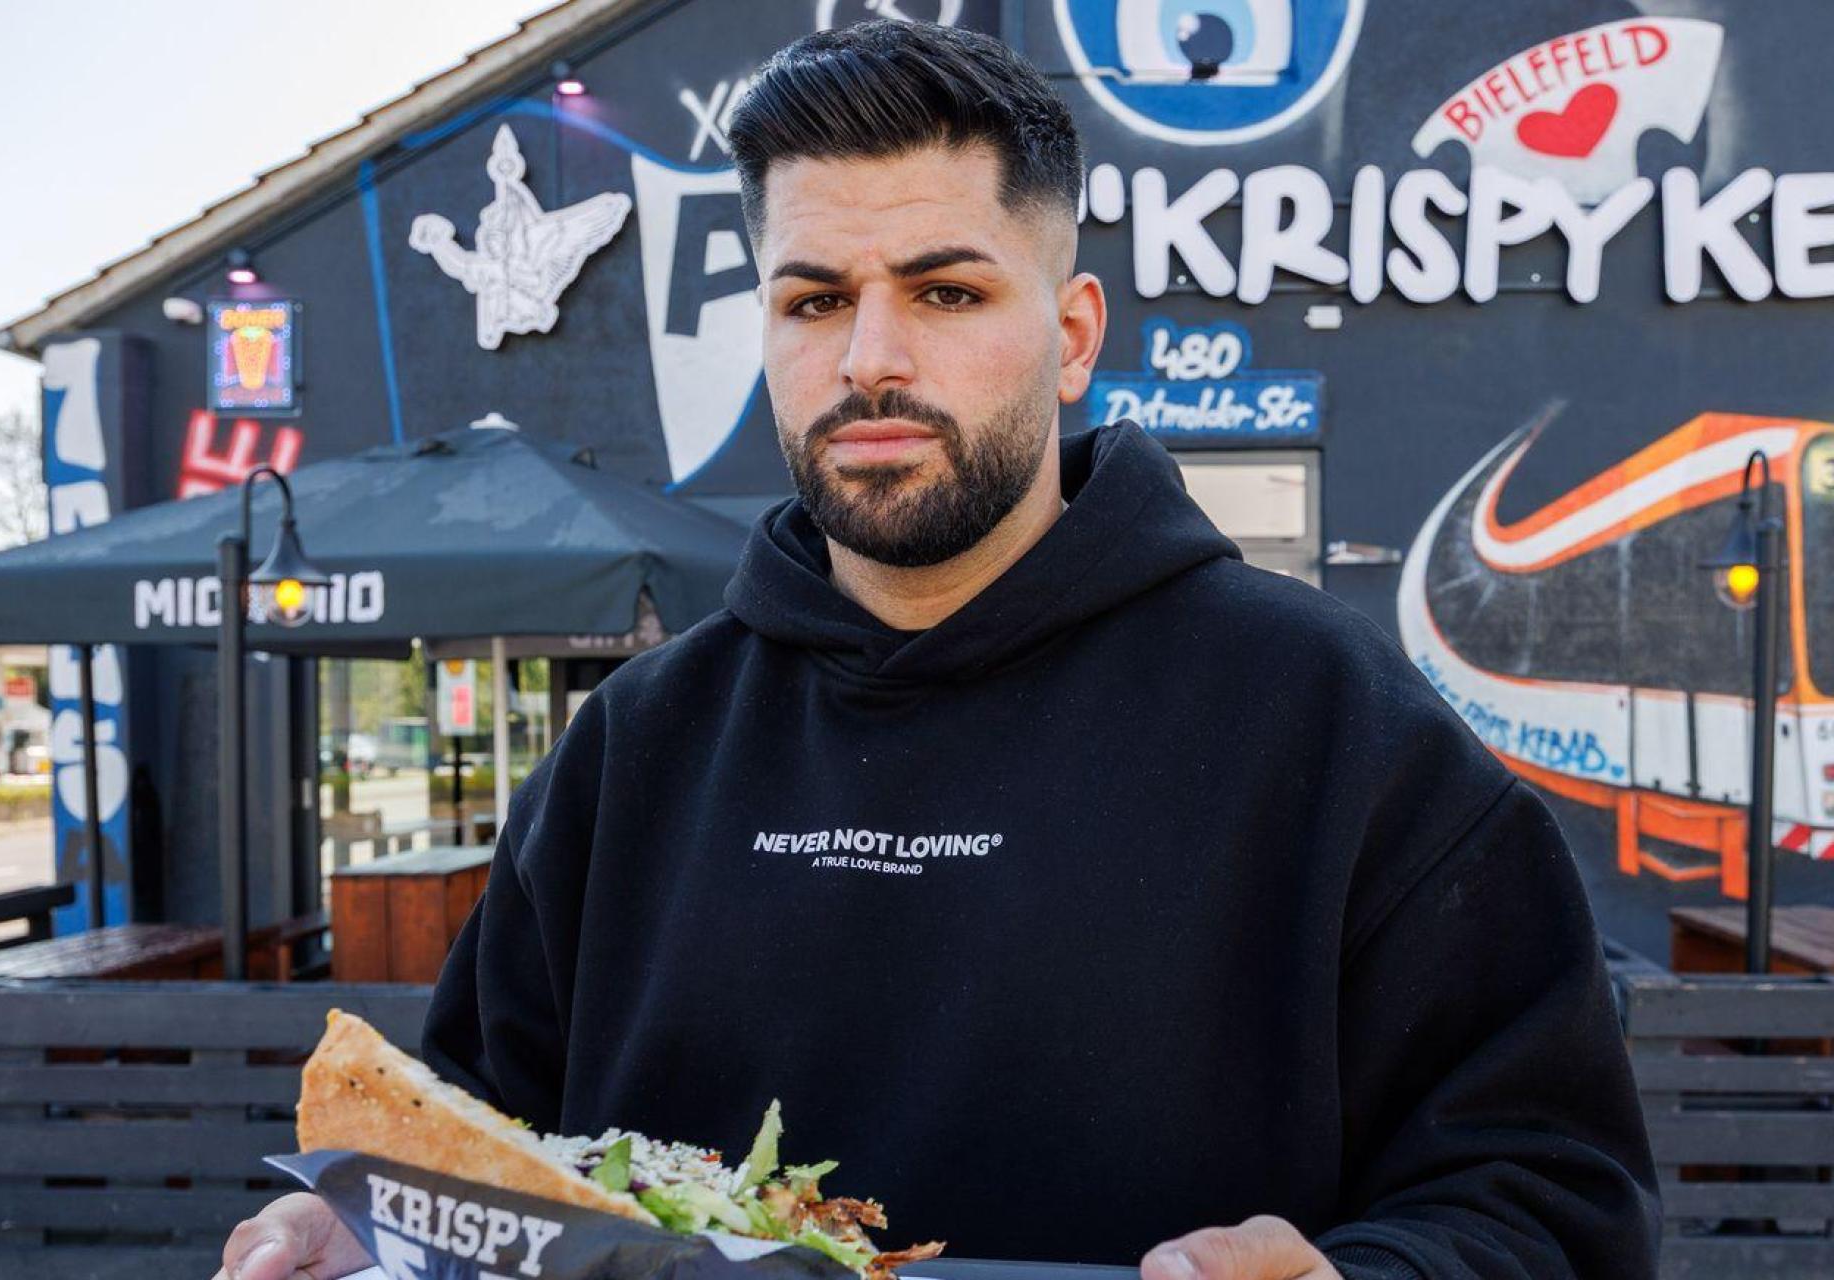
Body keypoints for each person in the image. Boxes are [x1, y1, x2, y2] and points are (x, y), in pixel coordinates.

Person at [217, 20, 1658, 1280]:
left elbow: (1550, 1189)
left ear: (1074, 333)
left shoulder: (1338, 731)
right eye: (815, 299)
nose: (870, 361)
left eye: (948, 291)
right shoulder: (638, 747)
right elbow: (470, 1132)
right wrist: (375, 1229)